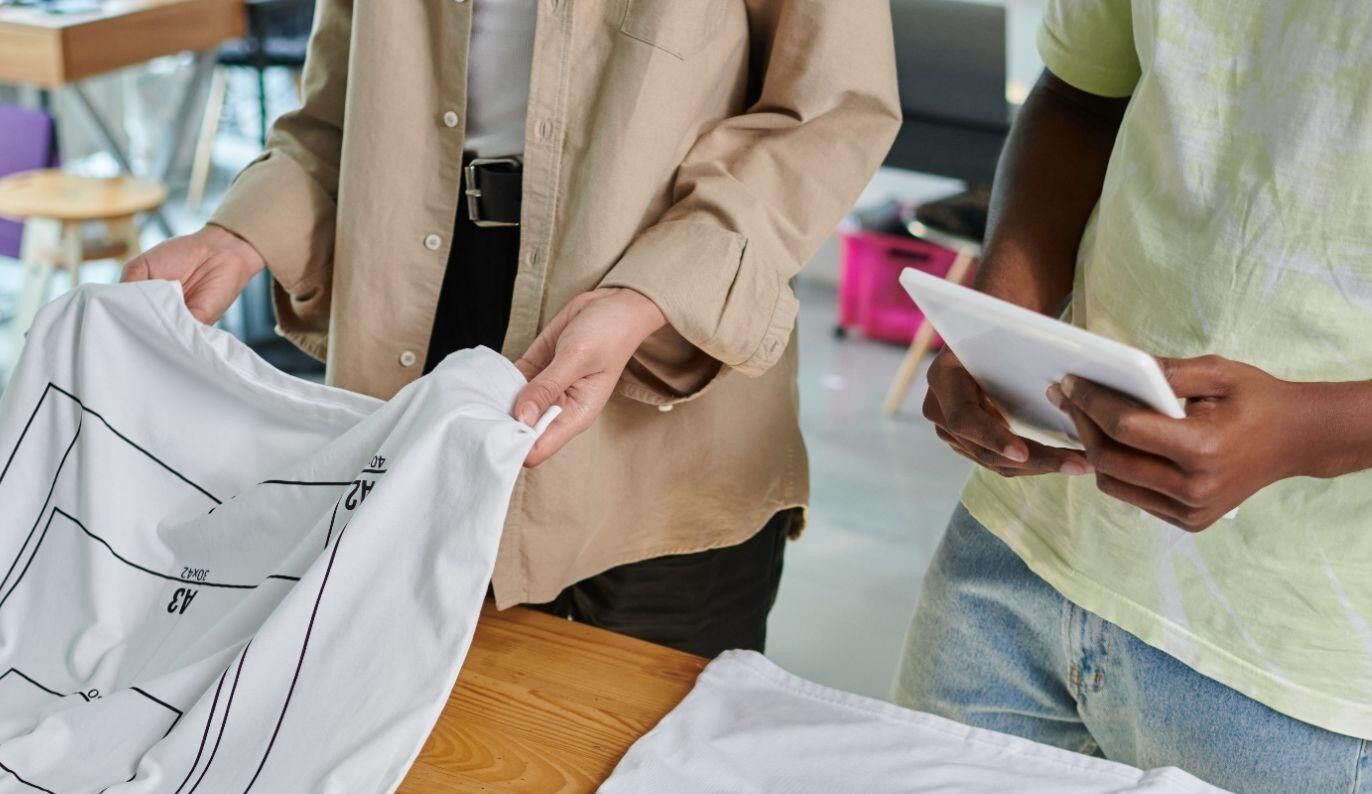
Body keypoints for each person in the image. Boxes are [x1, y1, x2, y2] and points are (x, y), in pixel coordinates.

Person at [900, 0, 1372, 794]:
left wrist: (1311, 431)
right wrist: (999, 323)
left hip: (1298, 645)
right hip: (1020, 550)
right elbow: (1081, 94)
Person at [125, 0, 900, 657]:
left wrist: (651, 293)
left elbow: (832, 110)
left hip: (662, 363)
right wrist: (238, 235)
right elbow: (334, 120)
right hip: (416, 348)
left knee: (650, 778)